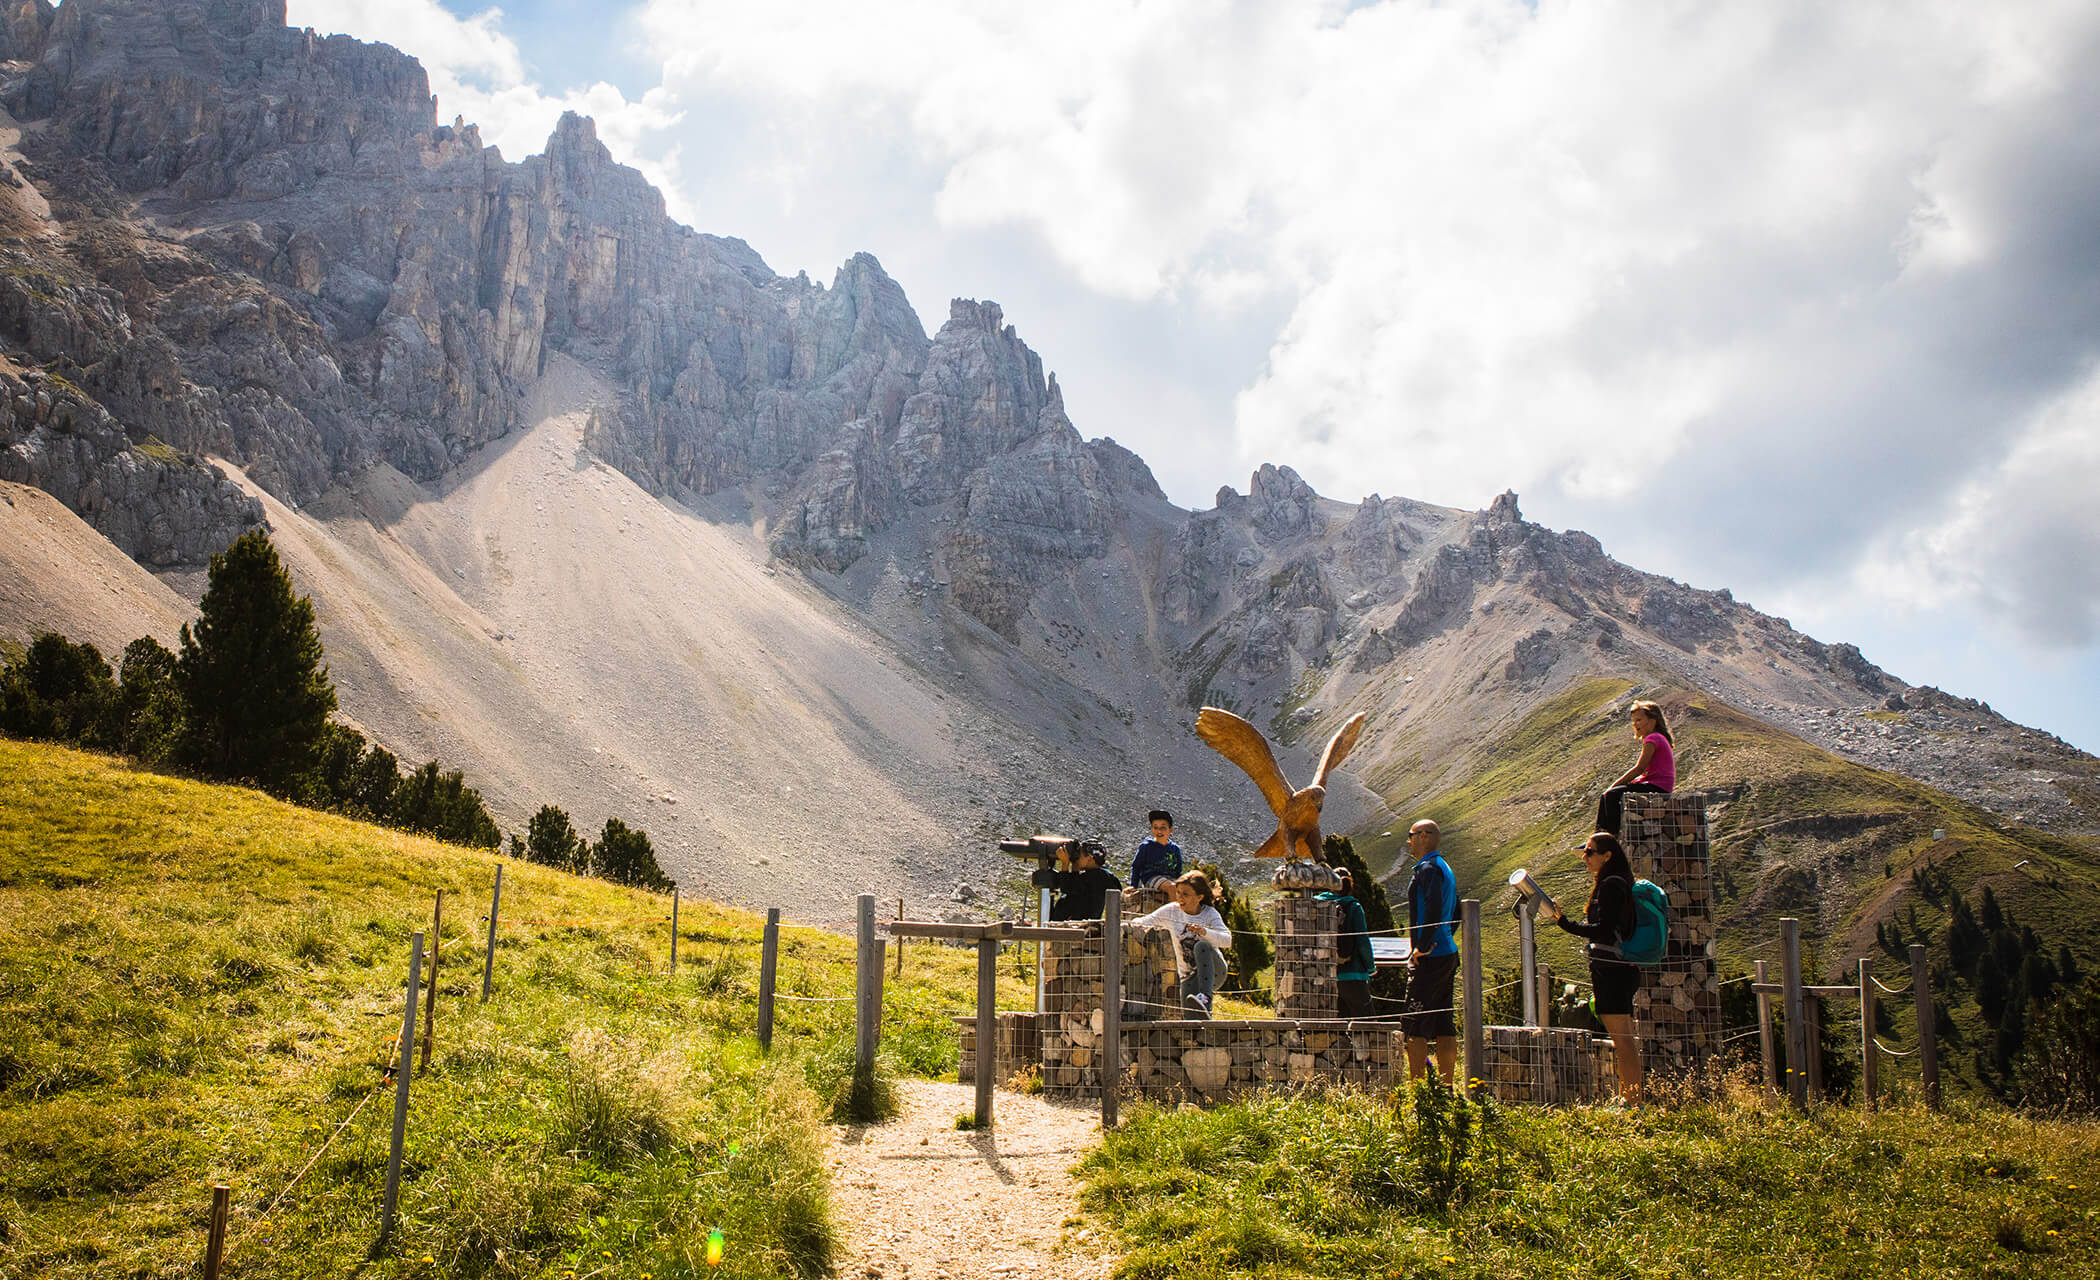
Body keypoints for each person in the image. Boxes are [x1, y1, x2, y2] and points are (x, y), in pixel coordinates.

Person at [1554, 831, 1646, 1105]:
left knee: (1622, 1038)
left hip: (1611, 969)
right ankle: (1628, 1097)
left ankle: (1633, 1101)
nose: (1585, 857)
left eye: (1590, 852)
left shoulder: (1610, 886)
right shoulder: (1617, 882)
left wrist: (1564, 922)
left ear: (1608, 856)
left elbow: (1603, 929)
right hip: (1620, 967)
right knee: (1624, 1035)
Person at [1401, 820, 1459, 1083]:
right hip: (1446, 951)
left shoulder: (1427, 868)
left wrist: (1421, 947)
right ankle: (1446, 1087)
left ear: (1424, 836)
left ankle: (1419, 1090)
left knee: (1415, 1023)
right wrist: (1444, 937)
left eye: (1411, 836)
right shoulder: (1445, 867)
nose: (1409, 841)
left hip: (1431, 956)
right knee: (1444, 1021)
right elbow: (1455, 911)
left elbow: (1434, 907)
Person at [1133, 870, 1232, 1018]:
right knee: (1192, 1019)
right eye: (1178, 892)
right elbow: (1145, 921)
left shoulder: (1210, 914)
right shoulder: (1171, 911)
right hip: (1188, 976)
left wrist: (1205, 933)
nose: (1180, 897)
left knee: (1201, 946)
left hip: (1215, 972)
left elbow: (1227, 940)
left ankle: (1205, 999)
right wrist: (1126, 924)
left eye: (1185, 894)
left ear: (1199, 897)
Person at [1595, 700, 1674, 838]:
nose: (1635, 724)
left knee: (1610, 795)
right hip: (1659, 784)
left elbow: (1639, 768)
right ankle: (1601, 835)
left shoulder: (1652, 738)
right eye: (1633, 721)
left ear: (1652, 721)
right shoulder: (1659, 738)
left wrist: (1614, 785)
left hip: (1658, 786)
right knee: (1608, 795)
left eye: (1639, 720)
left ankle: (1608, 836)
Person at [1317, 867, 1376, 1019]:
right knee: (1366, 1022)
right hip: (1353, 973)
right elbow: (1362, 941)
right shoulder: (1353, 907)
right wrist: (1370, 967)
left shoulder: (1318, 905)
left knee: (1337, 1024)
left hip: (1324, 973)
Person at [1048, 841, 1121, 921]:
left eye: (1080, 855)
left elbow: (1067, 887)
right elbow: (1076, 887)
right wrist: (1075, 867)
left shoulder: (1093, 877)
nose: (1077, 857)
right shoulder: (1105, 876)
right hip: (1084, 922)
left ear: (1089, 858)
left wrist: (1065, 864)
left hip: (1075, 924)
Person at [1130, 809, 1183, 890]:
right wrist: (1133, 886)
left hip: (1171, 879)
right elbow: (1136, 867)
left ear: (1170, 830)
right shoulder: (1146, 846)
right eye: (1155, 827)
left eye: (1163, 828)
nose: (1159, 831)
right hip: (1151, 878)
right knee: (1171, 887)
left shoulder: (1175, 849)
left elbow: (1178, 871)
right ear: (1152, 829)